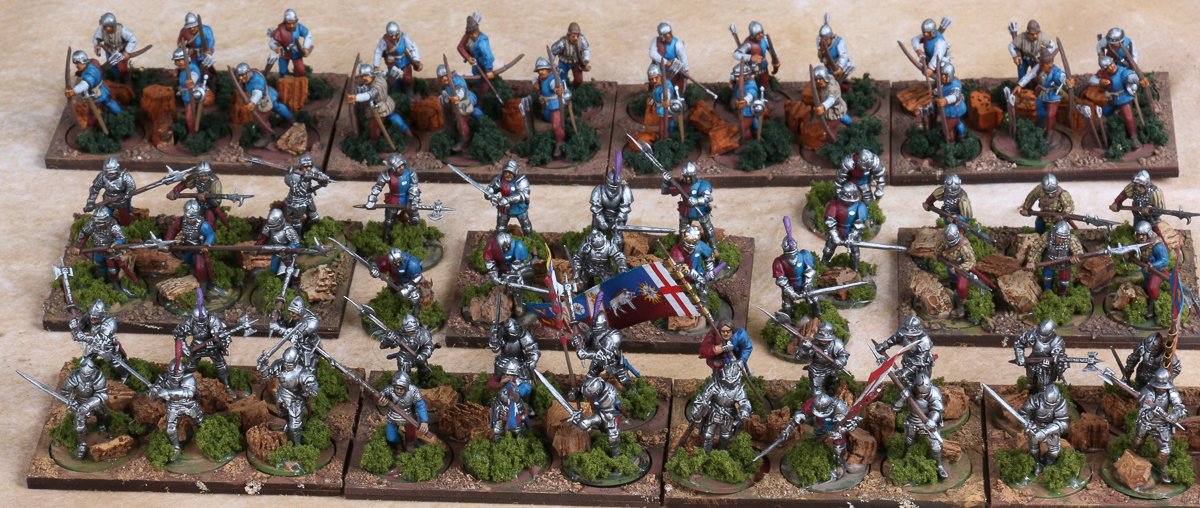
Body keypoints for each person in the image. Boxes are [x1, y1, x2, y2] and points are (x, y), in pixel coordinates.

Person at [1132, 369, 1188, 483]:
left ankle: (1162, 470)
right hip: (1146, 422)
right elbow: (1143, 410)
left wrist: (1174, 415)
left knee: (1165, 450)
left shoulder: (1171, 392)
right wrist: (1153, 411)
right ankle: (1132, 458)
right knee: (1138, 441)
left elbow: (1179, 406)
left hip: (1161, 425)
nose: (1160, 389)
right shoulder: (1147, 390)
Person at [257, 347, 318, 445]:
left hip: (295, 399)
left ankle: (297, 445)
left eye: (290, 363)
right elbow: (267, 376)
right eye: (286, 362)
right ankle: (288, 427)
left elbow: (310, 380)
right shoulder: (280, 364)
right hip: (281, 395)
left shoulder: (301, 372)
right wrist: (263, 366)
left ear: (296, 360)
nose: (287, 365)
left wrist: (311, 388)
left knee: (295, 426)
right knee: (282, 414)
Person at [688, 361, 752, 452]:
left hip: (728, 415)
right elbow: (702, 398)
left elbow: (744, 402)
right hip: (713, 411)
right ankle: (705, 454)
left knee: (726, 436)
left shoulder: (739, 389)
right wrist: (696, 413)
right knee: (707, 435)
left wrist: (744, 410)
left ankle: (722, 453)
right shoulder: (715, 384)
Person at [151, 359, 204, 458]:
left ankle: (205, 440)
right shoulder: (163, 379)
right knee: (170, 429)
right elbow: (152, 397)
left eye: (178, 374)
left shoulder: (188, 378)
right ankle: (176, 447)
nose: (175, 377)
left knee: (201, 423)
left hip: (188, 405)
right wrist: (154, 391)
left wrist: (168, 392)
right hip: (173, 407)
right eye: (172, 374)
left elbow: (189, 392)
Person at [60, 358, 111, 459]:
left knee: (103, 413)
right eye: (84, 374)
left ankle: (102, 425)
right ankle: (81, 444)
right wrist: (70, 402)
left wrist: (88, 405)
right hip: (79, 402)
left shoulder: (98, 376)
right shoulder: (74, 377)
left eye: (90, 374)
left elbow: (103, 394)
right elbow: (65, 392)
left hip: (94, 401)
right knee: (79, 425)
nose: (87, 376)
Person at [1015, 50, 1073, 136]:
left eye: (1051, 62)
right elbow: (1030, 75)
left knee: (1050, 114)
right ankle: (1040, 128)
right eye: (1047, 63)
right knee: (1040, 111)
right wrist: (1020, 85)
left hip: (1053, 94)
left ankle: (1050, 132)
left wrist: (1067, 81)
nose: (1050, 65)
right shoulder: (1038, 67)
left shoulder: (1056, 71)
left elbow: (1061, 76)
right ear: (1042, 64)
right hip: (1041, 93)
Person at [366, 155, 422, 242]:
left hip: (408, 198)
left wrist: (413, 200)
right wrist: (371, 199)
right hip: (394, 198)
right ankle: (386, 238)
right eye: (399, 167)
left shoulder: (410, 173)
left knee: (415, 219)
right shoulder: (386, 174)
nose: (401, 168)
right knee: (389, 221)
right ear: (393, 168)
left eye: (402, 165)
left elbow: (414, 187)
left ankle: (417, 237)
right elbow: (378, 187)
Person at [165, 199, 217, 294]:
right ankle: (191, 273)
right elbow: (172, 230)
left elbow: (211, 235)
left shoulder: (203, 225)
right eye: (188, 217)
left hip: (198, 249)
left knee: (200, 266)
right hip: (186, 247)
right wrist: (168, 241)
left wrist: (206, 244)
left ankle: (203, 285)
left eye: (192, 217)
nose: (190, 220)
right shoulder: (181, 221)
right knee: (186, 260)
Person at [1020, 384, 1069, 476]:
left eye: (1052, 405)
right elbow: (1023, 413)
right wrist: (1027, 424)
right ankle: (1036, 463)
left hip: (1051, 430)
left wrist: (1045, 431)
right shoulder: (1036, 399)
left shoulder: (1061, 403)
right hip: (1036, 427)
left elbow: (1063, 423)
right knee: (1033, 450)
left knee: (1054, 452)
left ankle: (1049, 461)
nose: (1049, 406)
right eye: (1047, 403)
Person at [1022, 220, 1084, 295]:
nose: (1061, 240)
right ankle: (1048, 292)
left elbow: (1078, 250)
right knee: (1047, 279)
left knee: (1064, 282)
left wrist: (1077, 257)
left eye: (1063, 238)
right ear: (1054, 233)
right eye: (1059, 237)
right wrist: (1031, 261)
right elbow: (1037, 248)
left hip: (1065, 262)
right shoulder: (1047, 237)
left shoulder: (1071, 239)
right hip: (1049, 261)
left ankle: (1062, 294)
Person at [661, 162, 715, 245]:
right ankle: (682, 247)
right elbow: (664, 191)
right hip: (686, 210)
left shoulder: (702, 184)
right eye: (686, 177)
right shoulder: (680, 184)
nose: (688, 179)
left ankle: (713, 247)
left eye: (690, 176)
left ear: (694, 175)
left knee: (708, 229)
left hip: (700, 209)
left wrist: (697, 201)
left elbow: (709, 197)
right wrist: (665, 181)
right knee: (683, 231)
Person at [377, 371, 430, 452]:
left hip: (409, 417)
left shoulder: (413, 391)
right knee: (391, 437)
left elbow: (420, 405)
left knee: (410, 435)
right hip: (393, 416)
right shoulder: (390, 389)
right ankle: (398, 443)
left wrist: (424, 421)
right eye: (397, 388)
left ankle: (410, 444)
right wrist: (380, 401)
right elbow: (379, 395)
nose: (399, 391)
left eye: (401, 389)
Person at [66, 50, 122, 114]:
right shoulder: (93, 61)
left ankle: (120, 114)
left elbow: (85, 84)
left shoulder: (90, 74)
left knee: (105, 103)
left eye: (77, 63)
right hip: (101, 88)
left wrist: (74, 91)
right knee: (106, 102)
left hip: (98, 93)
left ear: (82, 61)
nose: (76, 66)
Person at [84, 156, 135, 225]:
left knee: (125, 220)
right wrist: (91, 202)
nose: (110, 174)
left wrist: (127, 194)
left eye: (112, 172)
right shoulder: (102, 176)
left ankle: (125, 227)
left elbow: (131, 186)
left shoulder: (125, 176)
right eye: (107, 172)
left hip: (122, 200)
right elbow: (95, 189)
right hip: (108, 200)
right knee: (105, 218)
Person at [374, 21, 422, 93]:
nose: (394, 37)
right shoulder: (384, 40)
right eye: (391, 35)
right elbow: (378, 52)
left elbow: (413, 47)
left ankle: (409, 94)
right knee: (393, 81)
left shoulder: (404, 37)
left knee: (408, 79)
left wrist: (416, 59)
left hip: (404, 61)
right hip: (392, 63)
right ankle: (396, 94)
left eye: (395, 35)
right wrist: (376, 66)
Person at [733, 21, 779, 93]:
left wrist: (775, 60)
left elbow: (771, 49)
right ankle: (753, 95)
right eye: (758, 34)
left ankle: (767, 91)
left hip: (763, 66)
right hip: (751, 70)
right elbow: (736, 54)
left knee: (765, 81)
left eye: (762, 32)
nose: (761, 35)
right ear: (753, 35)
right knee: (752, 85)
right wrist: (751, 57)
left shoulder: (764, 39)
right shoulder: (748, 44)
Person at [92, 12, 138, 82]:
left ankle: (127, 80)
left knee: (123, 69)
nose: (107, 28)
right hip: (109, 51)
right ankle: (117, 79)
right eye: (105, 26)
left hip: (121, 52)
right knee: (112, 67)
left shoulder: (122, 30)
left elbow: (133, 39)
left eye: (109, 26)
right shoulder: (101, 29)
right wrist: (97, 46)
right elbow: (96, 38)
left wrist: (127, 51)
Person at [457, 12, 496, 94]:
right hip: (475, 64)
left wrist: (488, 70)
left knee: (485, 84)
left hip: (485, 65)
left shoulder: (482, 41)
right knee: (477, 82)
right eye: (471, 34)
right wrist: (468, 57)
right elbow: (460, 47)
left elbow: (488, 56)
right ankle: (478, 95)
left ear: (478, 30)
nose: (474, 35)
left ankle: (484, 98)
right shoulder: (467, 36)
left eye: (475, 32)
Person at [267, 9, 313, 77]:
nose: (291, 26)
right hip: (284, 53)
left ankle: (298, 81)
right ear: (285, 22)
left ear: (296, 21)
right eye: (289, 23)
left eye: (293, 23)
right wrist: (276, 48)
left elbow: (308, 35)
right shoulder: (280, 30)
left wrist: (306, 47)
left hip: (296, 52)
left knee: (300, 70)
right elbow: (272, 42)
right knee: (283, 72)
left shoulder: (298, 27)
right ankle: (285, 81)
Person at [649, 22, 689, 91]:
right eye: (665, 35)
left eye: (669, 33)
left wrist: (685, 70)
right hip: (659, 71)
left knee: (677, 88)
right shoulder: (655, 41)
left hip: (674, 71)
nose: (668, 36)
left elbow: (683, 57)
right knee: (658, 88)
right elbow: (652, 54)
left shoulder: (677, 43)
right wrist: (666, 62)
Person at [550, 22, 590, 88]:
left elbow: (586, 49)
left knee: (579, 80)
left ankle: (575, 89)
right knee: (562, 79)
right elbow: (553, 52)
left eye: (577, 36)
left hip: (576, 62)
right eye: (573, 36)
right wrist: (551, 63)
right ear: (568, 35)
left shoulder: (581, 39)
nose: (576, 38)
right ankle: (564, 90)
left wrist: (586, 60)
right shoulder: (562, 43)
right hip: (564, 63)